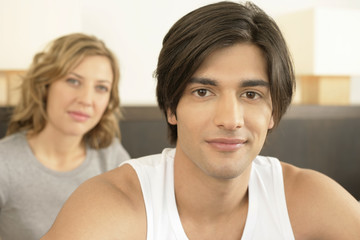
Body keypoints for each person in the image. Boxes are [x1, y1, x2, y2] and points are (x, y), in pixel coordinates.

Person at [42, 2, 360, 239]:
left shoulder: (306, 198)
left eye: (251, 94)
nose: (230, 119)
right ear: (171, 107)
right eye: (204, 91)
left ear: (273, 112)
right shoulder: (113, 205)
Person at [0, 33, 130, 240]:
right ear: (45, 87)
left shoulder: (112, 156)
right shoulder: (4, 162)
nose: (86, 100)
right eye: (73, 81)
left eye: (101, 88)